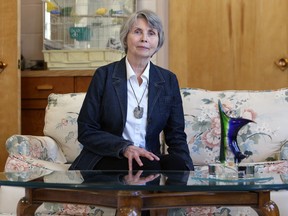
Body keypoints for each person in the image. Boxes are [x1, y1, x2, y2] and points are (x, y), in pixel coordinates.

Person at [69, 9, 194, 172]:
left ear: (158, 41)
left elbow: (176, 135)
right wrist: (125, 148)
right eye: (137, 32)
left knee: (175, 165)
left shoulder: (168, 80)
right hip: (109, 157)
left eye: (151, 33)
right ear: (126, 38)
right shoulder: (104, 76)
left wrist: (188, 171)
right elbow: (86, 130)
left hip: (149, 158)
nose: (144, 39)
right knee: (147, 166)